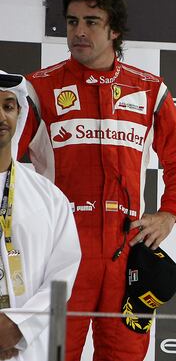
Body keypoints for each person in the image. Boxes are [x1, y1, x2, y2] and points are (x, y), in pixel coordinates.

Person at [16, 0, 176, 361]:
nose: (79, 32)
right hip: (61, 253)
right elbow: (6, 165)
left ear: (115, 29)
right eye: (71, 22)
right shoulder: (37, 89)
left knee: (124, 357)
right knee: (52, 354)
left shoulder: (149, 89)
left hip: (127, 252)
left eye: (92, 22)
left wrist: (168, 214)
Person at [0, 71, 81, 361]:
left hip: (30, 349)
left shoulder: (48, 197)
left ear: (19, 115)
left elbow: (62, 277)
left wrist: (18, 327)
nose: (1, 117)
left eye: (8, 107)